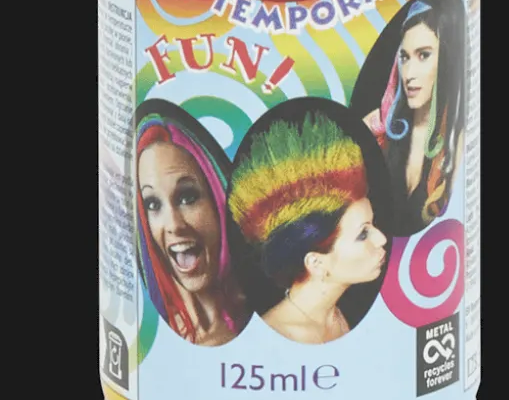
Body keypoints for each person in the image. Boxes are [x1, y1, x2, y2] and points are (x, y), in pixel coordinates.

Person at [228, 112, 387, 345]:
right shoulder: (282, 336)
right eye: (363, 234)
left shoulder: (335, 316)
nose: (382, 239)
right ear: (316, 263)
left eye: (372, 226)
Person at [135, 111, 248, 347]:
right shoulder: (151, 334)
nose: (174, 225)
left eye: (187, 197)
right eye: (153, 204)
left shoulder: (265, 313)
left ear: (218, 198)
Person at [362, 0, 466, 233]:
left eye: (424, 55)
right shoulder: (376, 126)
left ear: (447, 60)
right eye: (405, 57)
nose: (409, 74)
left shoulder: (458, 144)